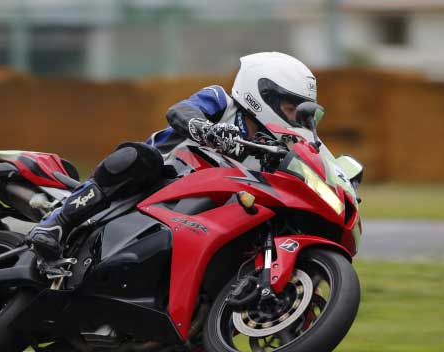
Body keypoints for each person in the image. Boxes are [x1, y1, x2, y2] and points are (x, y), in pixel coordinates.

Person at [28, 52, 318, 259]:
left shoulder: (275, 150)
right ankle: (56, 222)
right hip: (158, 180)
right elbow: (180, 111)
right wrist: (205, 129)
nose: (295, 119)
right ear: (263, 95)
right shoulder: (221, 101)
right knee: (142, 157)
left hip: (198, 215)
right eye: (290, 108)